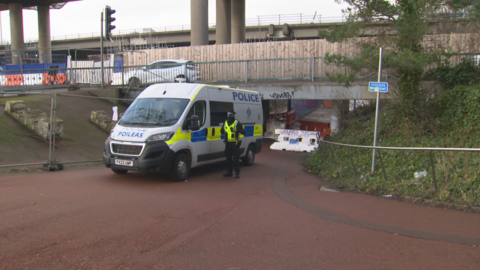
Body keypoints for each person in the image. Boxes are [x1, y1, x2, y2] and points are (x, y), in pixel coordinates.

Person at [221, 111, 245, 178]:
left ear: (233, 116)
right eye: (228, 115)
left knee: (235, 159)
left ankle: (237, 173)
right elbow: (222, 130)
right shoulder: (225, 123)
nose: (229, 117)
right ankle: (229, 172)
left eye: (230, 115)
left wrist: (238, 130)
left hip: (235, 144)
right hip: (228, 143)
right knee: (228, 158)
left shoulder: (237, 123)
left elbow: (243, 132)